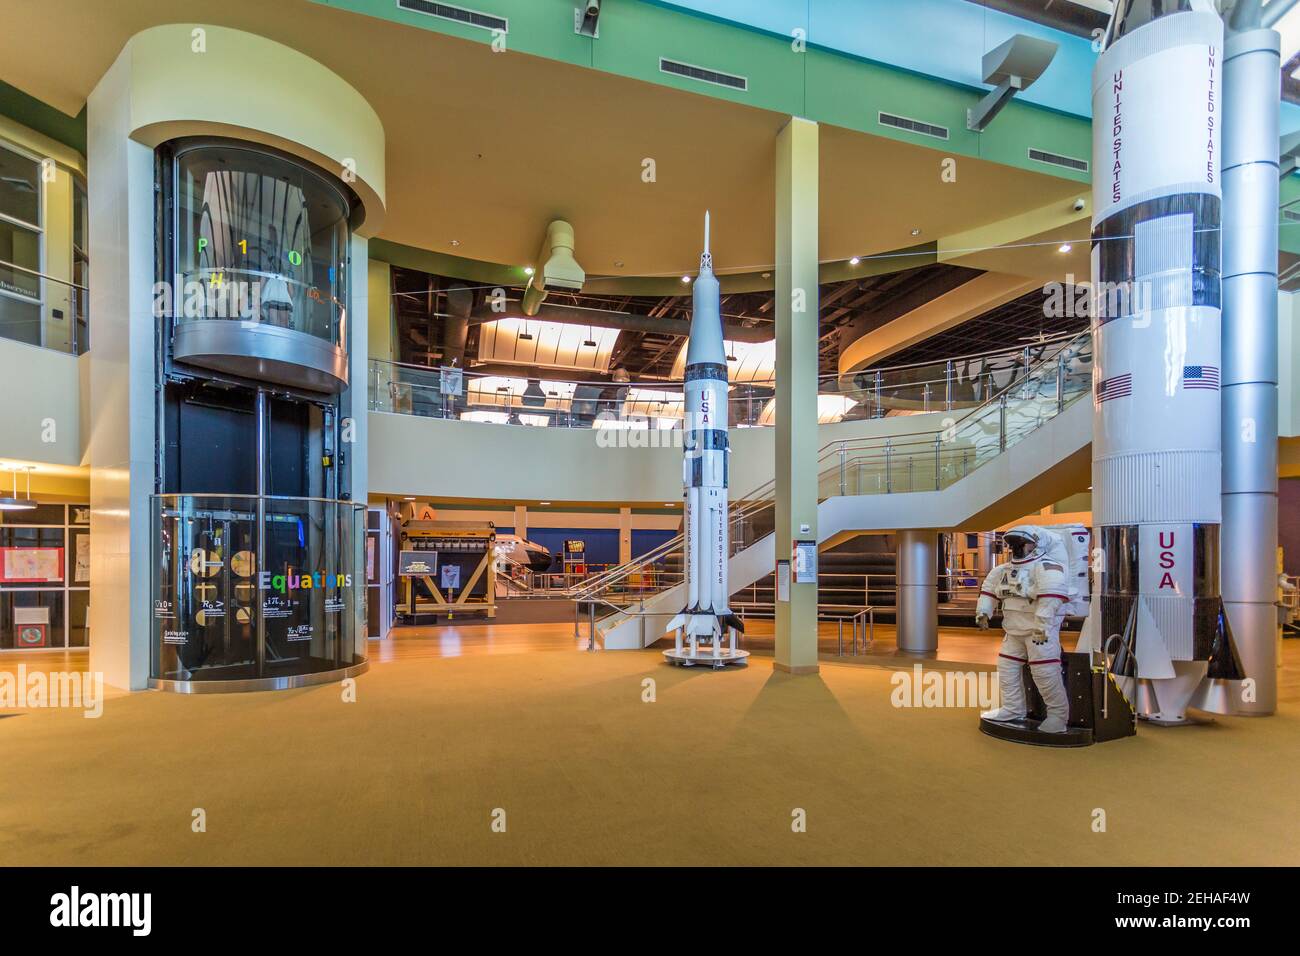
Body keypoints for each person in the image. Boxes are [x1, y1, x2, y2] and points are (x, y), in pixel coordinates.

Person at [975, 525, 1071, 733]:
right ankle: (1013, 708)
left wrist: (1042, 626)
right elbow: (989, 592)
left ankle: (1057, 716)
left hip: (1038, 632)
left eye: (1021, 543)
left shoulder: (1046, 567)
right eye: (1013, 544)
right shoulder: (1001, 570)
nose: (1016, 548)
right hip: (1013, 631)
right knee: (1006, 670)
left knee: (1045, 673)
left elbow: (1051, 597)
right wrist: (983, 613)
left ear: (1035, 545)